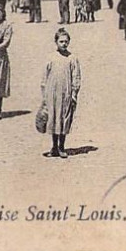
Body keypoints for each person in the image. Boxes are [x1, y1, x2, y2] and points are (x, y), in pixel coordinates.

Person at [41, 28, 81, 159]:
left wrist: (74, 93)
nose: (64, 44)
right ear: (56, 42)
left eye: (66, 41)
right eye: (61, 41)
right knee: (53, 118)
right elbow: (44, 76)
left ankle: (62, 147)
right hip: (53, 93)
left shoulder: (72, 58)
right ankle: (54, 147)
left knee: (64, 118)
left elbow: (76, 77)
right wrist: (44, 93)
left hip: (66, 93)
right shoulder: (50, 57)